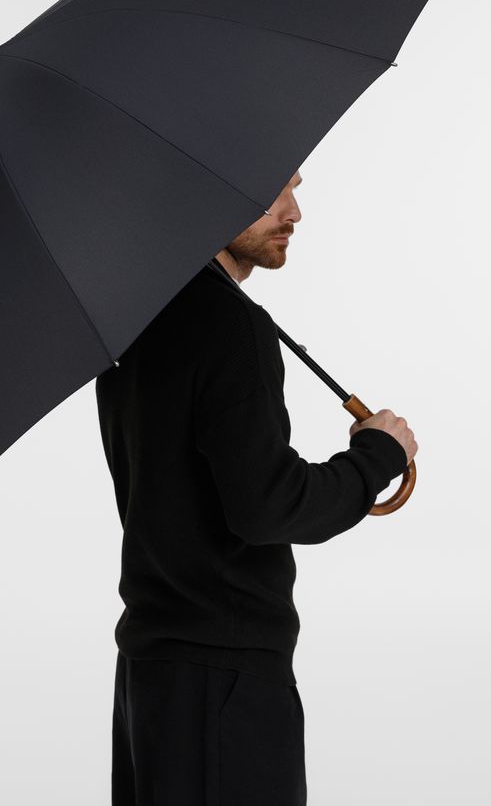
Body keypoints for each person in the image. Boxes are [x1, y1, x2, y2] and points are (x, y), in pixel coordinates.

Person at [95, 169, 418, 805]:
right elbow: (268, 506)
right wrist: (375, 457)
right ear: (211, 191)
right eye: (275, 192)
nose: (293, 213)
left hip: (150, 677)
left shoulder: (134, 322)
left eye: (295, 190)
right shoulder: (230, 325)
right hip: (224, 683)